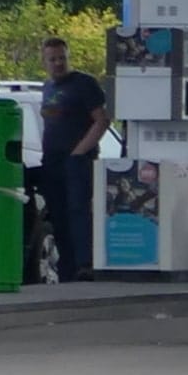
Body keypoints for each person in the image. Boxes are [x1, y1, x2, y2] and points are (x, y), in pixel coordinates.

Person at [34, 37, 109, 287]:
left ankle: (84, 265)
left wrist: (79, 152)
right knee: (58, 214)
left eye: (61, 58)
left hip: (77, 160)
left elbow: (101, 120)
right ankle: (66, 268)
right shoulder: (48, 88)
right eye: (52, 59)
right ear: (44, 61)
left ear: (68, 57)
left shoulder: (84, 84)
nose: (58, 63)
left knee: (78, 211)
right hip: (51, 161)